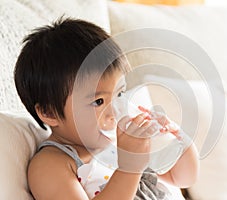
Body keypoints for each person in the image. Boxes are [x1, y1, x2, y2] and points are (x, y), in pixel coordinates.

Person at [14, 17, 200, 200]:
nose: (115, 112)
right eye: (98, 102)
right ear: (49, 112)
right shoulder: (51, 164)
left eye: (119, 94)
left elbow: (182, 178)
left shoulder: (120, 143)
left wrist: (177, 137)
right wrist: (129, 168)